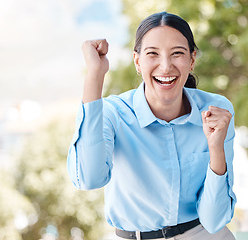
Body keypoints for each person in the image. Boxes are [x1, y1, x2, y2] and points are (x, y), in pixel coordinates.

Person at [67, 12, 236, 240]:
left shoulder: (216, 110)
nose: (165, 67)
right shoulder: (113, 113)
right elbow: (89, 179)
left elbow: (215, 220)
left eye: (177, 54)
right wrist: (95, 75)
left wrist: (215, 148)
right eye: (152, 54)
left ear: (192, 59)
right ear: (137, 61)